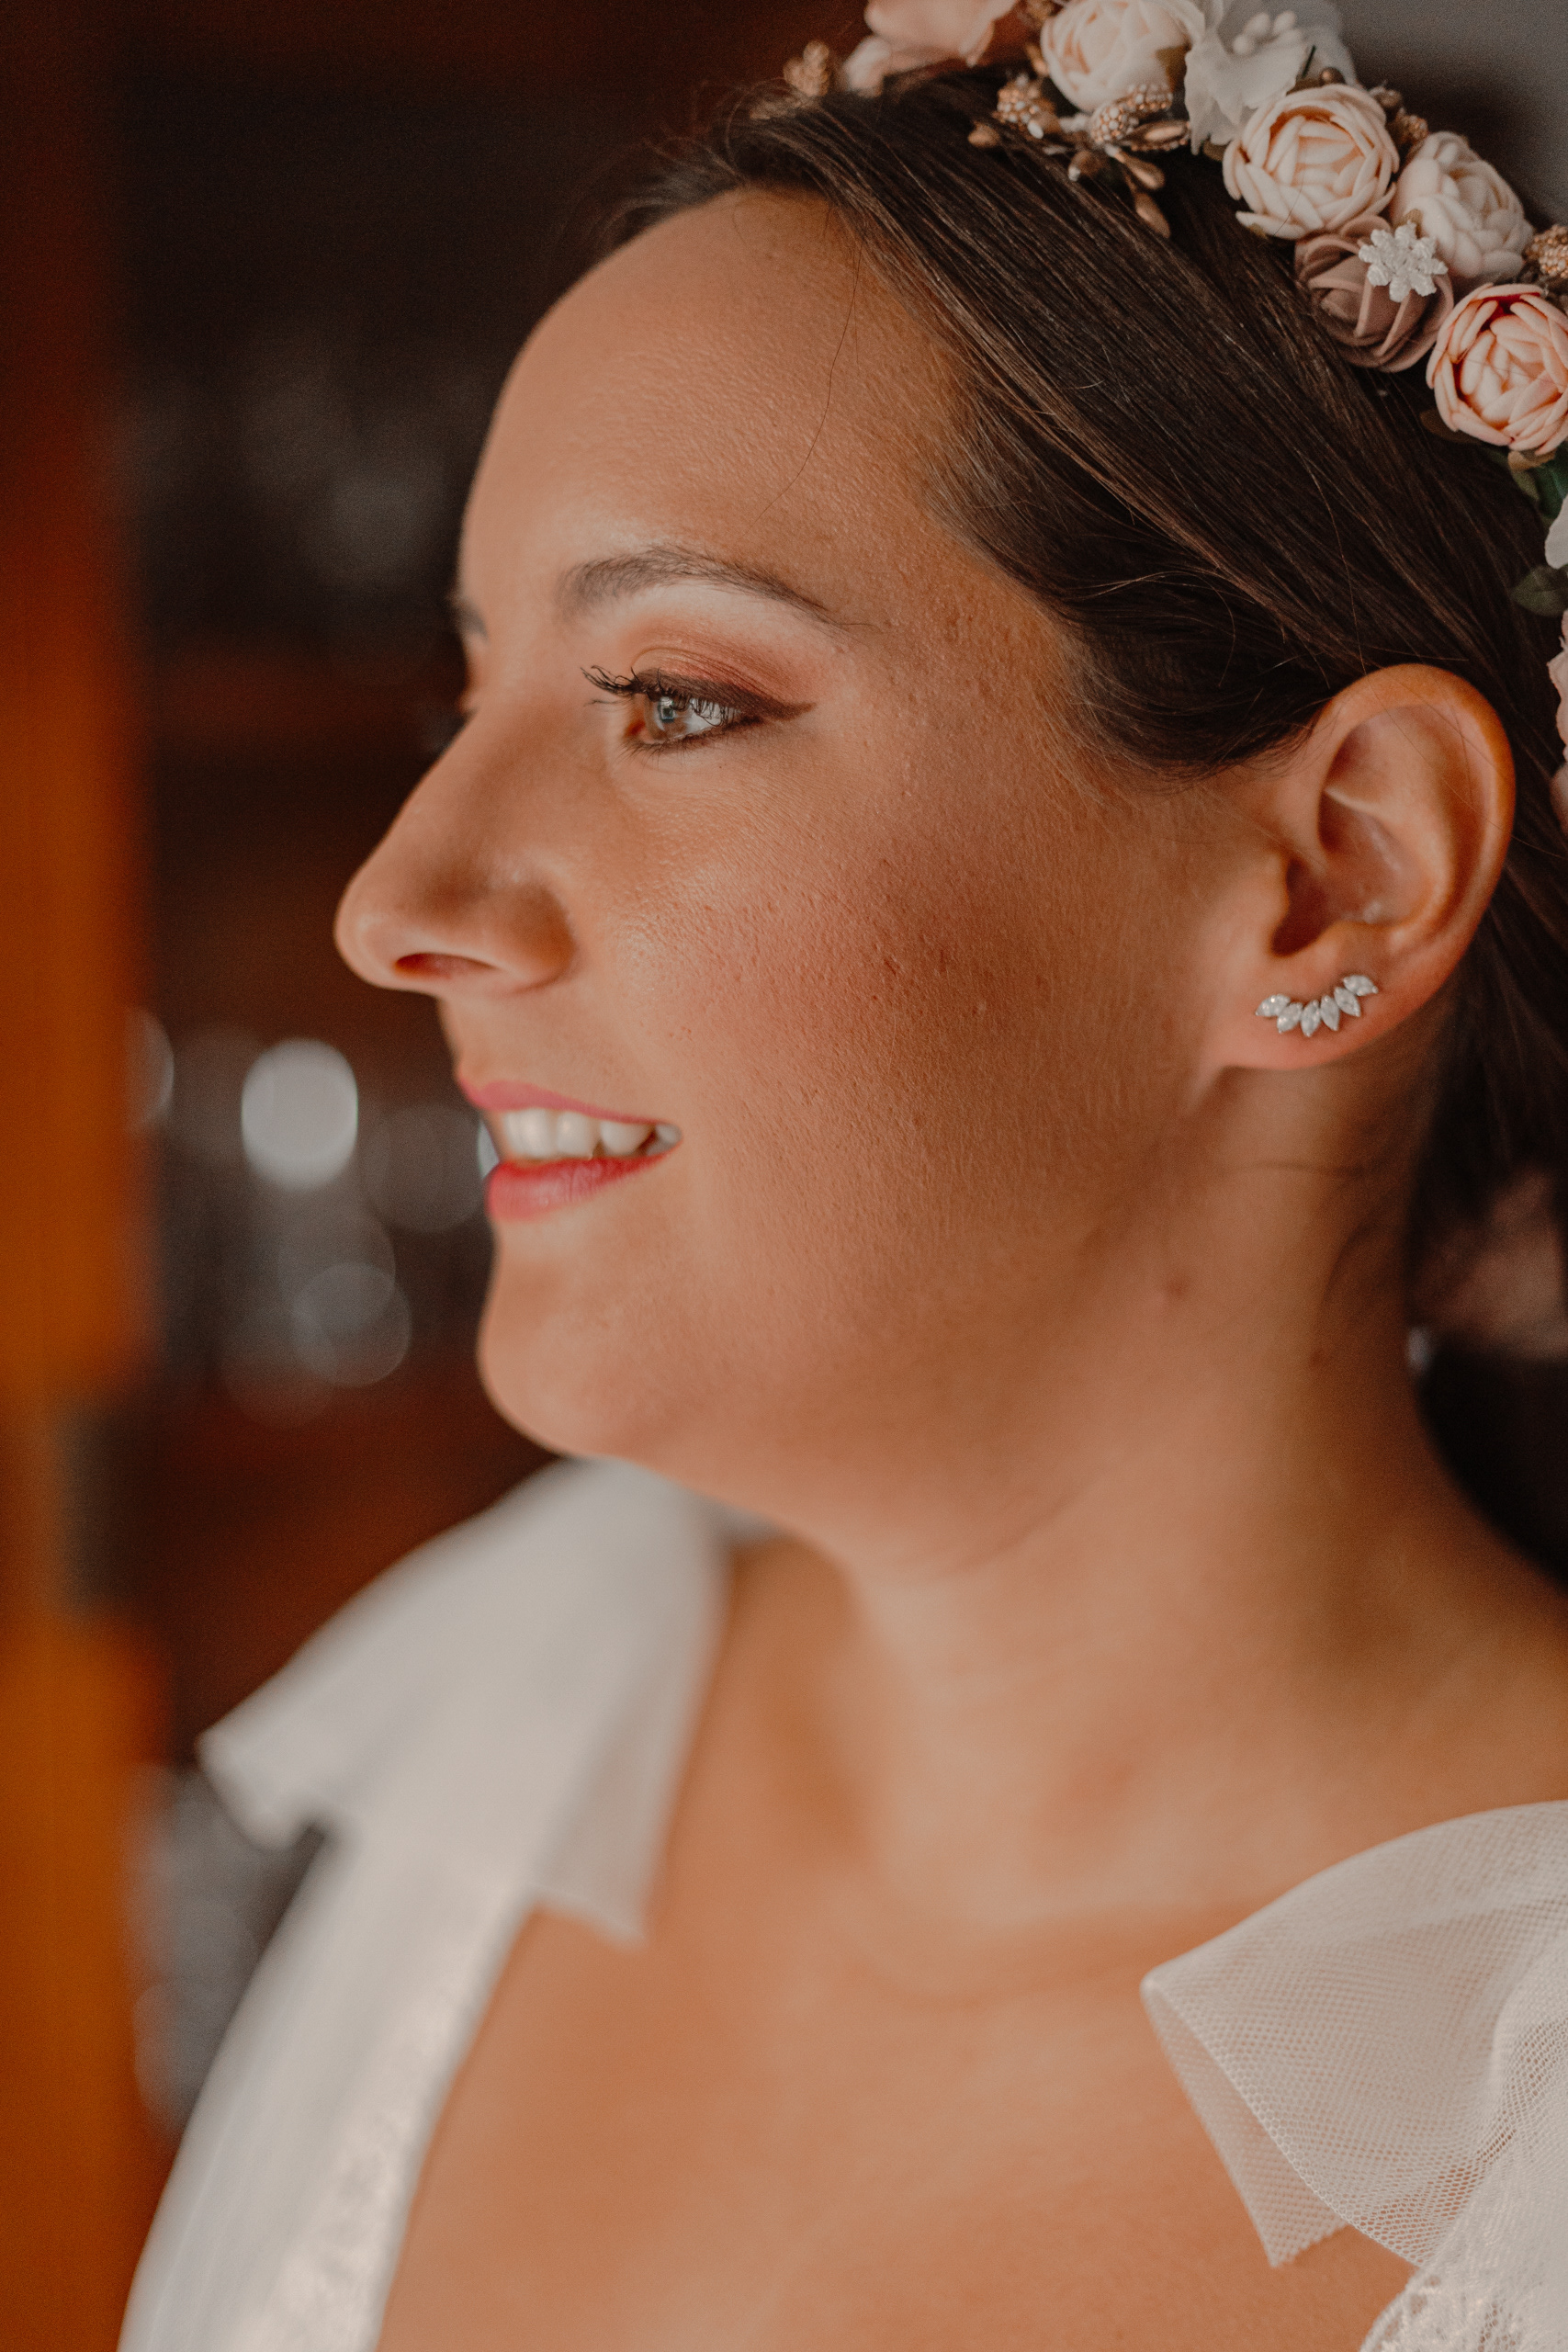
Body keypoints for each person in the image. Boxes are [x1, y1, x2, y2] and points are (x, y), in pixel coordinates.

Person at [122, 6, 1568, 2347]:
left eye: (672, 699)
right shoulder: (535, 1708)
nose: (395, 902)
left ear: (1334, 876)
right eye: (463, 699)